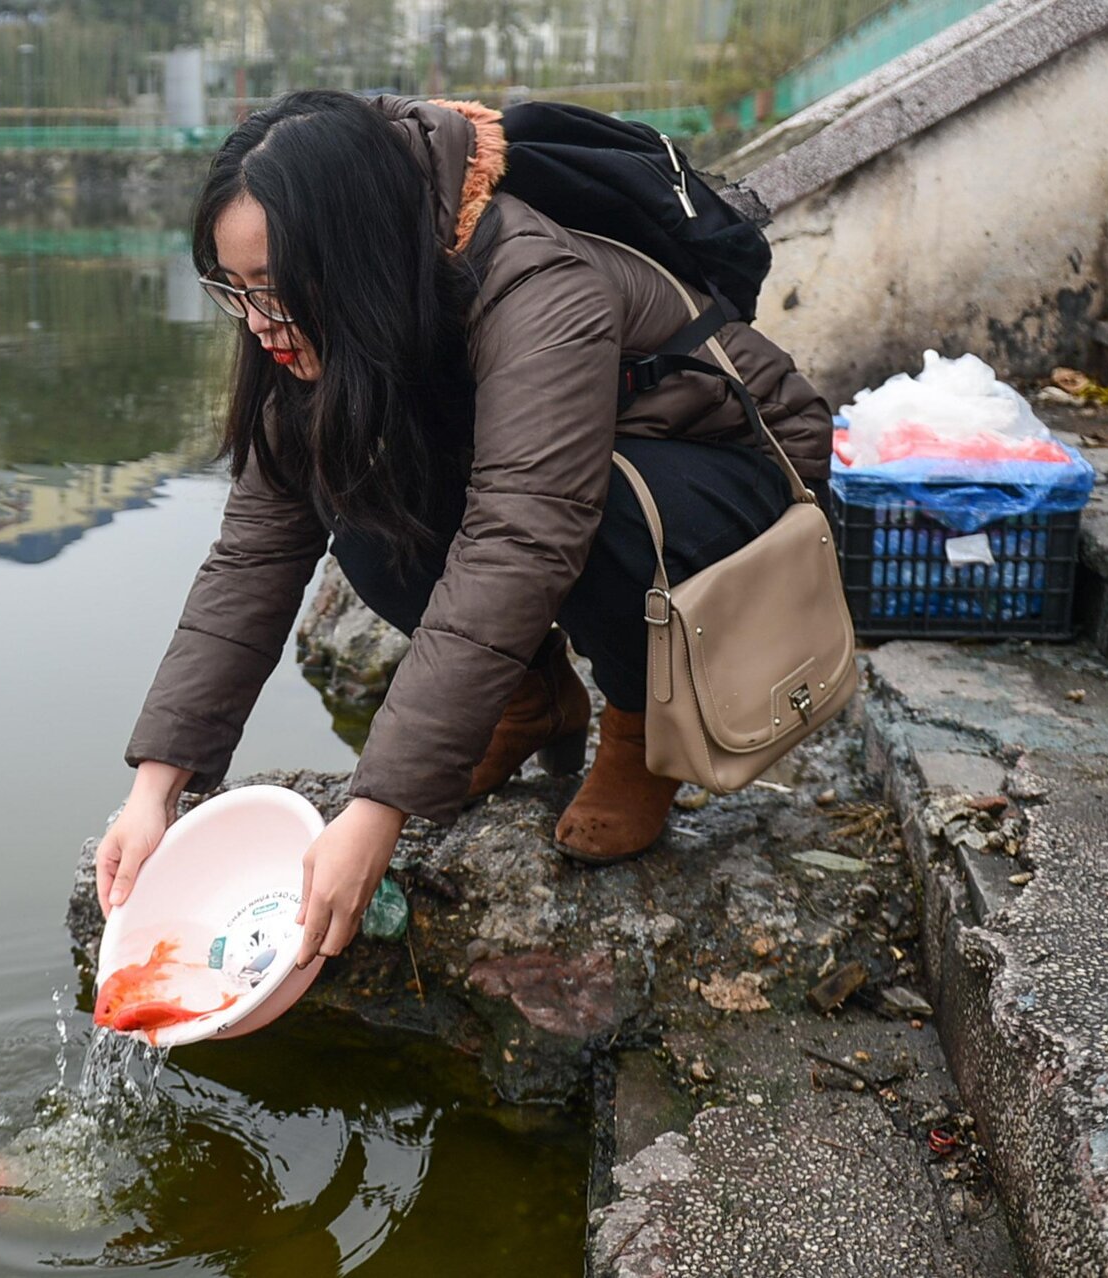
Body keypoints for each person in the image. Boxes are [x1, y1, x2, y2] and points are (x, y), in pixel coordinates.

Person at [95, 91, 833, 971]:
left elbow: (523, 538)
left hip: (718, 481)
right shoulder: (309, 330)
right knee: (354, 488)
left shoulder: (536, 284)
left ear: (358, 256)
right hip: (561, 489)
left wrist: (376, 811)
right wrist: (155, 791)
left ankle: (638, 727)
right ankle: (531, 700)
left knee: (587, 513)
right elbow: (256, 549)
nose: (259, 326)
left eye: (279, 292)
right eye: (237, 289)